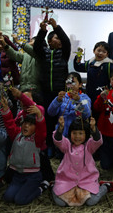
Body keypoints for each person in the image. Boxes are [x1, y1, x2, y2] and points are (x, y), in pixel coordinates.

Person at [52, 116, 113, 207]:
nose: (77, 136)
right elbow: (58, 141)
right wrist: (60, 129)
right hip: (67, 181)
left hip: (86, 182)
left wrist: (93, 128)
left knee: (91, 201)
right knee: (60, 203)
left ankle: (105, 187)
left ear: (86, 134)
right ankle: (54, 187)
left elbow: (97, 141)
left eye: (81, 133)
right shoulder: (67, 145)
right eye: (74, 133)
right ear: (70, 133)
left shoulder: (89, 146)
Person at [33, 18, 71, 153]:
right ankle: (49, 145)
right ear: (49, 41)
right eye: (56, 38)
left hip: (59, 93)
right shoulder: (44, 53)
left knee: (60, 120)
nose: (60, 40)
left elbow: (66, 41)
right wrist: (42, 31)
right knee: (47, 120)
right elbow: (36, 46)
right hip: (45, 92)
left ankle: (59, 146)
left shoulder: (64, 53)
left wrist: (56, 27)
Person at [0, 98, 47, 205]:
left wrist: (39, 115)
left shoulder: (37, 139)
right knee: (8, 197)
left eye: (31, 125)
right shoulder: (16, 134)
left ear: (36, 128)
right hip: (18, 175)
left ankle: (40, 188)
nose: (26, 126)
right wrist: (6, 109)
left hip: (33, 176)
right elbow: (10, 124)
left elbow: (43, 131)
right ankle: (23, 188)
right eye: (25, 123)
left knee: (19, 200)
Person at [47, 72, 91, 138]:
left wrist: (79, 100)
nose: (71, 85)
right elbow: (51, 113)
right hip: (61, 134)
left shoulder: (85, 98)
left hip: (77, 137)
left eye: (74, 82)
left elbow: (87, 114)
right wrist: (57, 100)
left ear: (80, 85)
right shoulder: (62, 97)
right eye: (69, 83)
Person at [73, 41, 113, 108]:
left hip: (103, 96)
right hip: (89, 94)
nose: (100, 53)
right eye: (98, 50)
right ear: (94, 51)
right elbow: (78, 67)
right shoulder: (90, 63)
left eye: (104, 52)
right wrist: (78, 56)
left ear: (107, 54)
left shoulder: (109, 65)